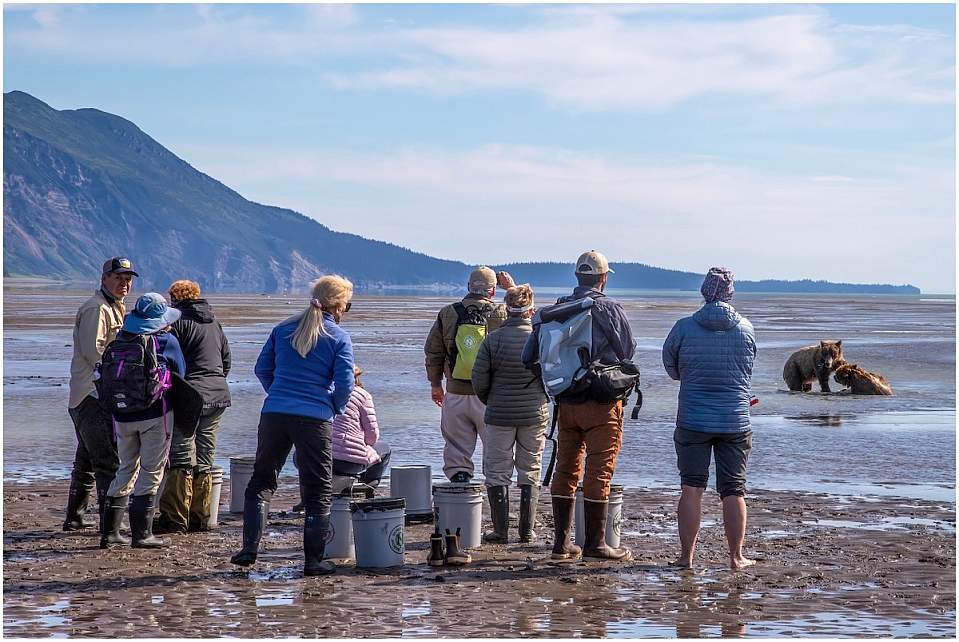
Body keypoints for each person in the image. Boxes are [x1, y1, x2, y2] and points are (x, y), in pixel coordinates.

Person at [231, 275, 355, 576]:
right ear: (338, 305)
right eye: (348, 305)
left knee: (262, 480)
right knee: (318, 488)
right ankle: (313, 561)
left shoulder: (283, 329)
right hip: (314, 418)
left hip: (275, 413)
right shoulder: (338, 337)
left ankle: (249, 550)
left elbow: (262, 368)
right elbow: (345, 384)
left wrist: (277, 393)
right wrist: (333, 406)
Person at [523, 250, 635, 561]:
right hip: (602, 401)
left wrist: (557, 382)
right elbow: (627, 351)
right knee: (599, 470)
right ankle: (596, 545)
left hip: (566, 401)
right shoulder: (609, 308)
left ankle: (561, 544)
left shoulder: (557, 309)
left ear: (577, 276)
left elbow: (528, 357)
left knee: (566, 467)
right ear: (603, 278)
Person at [662, 267, 757, 570]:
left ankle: (686, 557)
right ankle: (736, 557)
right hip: (734, 420)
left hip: (693, 419)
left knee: (691, 488)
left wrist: (691, 376)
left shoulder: (683, 327)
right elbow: (747, 370)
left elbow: (671, 367)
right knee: (734, 490)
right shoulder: (746, 328)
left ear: (704, 292)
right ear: (730, 293)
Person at [101, 293, 186, 549]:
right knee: (151, 470)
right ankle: (142, 534)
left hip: (121, 416)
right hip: (155, 415)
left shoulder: (120, 339)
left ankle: (110, 533)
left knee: (125, 468)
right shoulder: (165, 341)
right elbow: (181, 374)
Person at [63, 257, 138, 532]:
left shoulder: (115, 306)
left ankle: (75, 518)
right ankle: (110, 525)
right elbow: (93, 351)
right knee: (108, 462)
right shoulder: (96, 308)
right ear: (104, 278)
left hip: (91, 394)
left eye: (128, 279)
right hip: (92, 395)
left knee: (86, 460)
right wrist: (119, 376)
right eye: (118, 277)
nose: (124, 283)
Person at [471, 284, 549, 544]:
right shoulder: (541, 339)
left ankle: (501, 531)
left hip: (499, 413)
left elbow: (478, 379)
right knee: (531, 469)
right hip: (534, 413)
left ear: (506, 308)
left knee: (497, 471)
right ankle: (526, 531)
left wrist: (491, 400)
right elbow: (551, 377)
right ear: (531, 310)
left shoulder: (492, 340)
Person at [154, 280, 232, 534]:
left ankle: (175, 519)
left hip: (190, 396)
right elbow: (226, 361)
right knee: (205, 456)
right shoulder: (214, 323)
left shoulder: (177, 323)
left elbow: (172, 363)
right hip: (218, 394)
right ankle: (200, 517)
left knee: (181, 455)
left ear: (175, 299)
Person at [424, 266, 515, 482]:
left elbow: (433, 352)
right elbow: (530, 319)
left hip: (455, 393)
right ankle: (496, 492)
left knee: (456, 450)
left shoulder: (447, 313)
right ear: (493, 291)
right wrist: (512, 289)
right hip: (490, 397)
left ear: (468, 287)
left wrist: (435, 384)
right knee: (495, 451)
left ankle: (459, 489)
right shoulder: (503, 313)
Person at [331, 367, 391, 487]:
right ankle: (369, 485)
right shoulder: (363, 395)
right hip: (348, 462)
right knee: (384, 448)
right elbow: (372, 437)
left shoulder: (321, 391)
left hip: (316, 459)